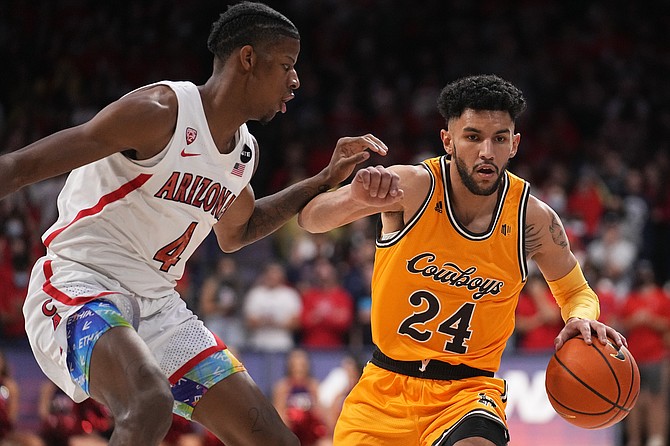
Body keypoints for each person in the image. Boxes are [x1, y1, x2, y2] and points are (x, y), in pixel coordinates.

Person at [0, 2, 388, 445]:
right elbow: (20, 166)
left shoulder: (243, 153)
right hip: (79, 283)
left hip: (159, 306)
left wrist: (321, 181)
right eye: (286, 65)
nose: (295, 80)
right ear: (247, 59)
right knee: (148, 403)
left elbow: (238, 231)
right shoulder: (160, 111)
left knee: (275, 439)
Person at [298, 74, 626, 445]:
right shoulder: (411, 186)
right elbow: (310, 219)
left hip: (469, 392)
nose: (487, 151)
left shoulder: (532, 219)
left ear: (514, 144)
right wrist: (353, 197)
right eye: (473, 137)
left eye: (499, 138)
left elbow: (576, 292)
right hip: (384, 388)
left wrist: (581, 318)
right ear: (448, 141)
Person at [272, 349, 328, 446]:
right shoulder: (282, 387)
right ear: (289, 367)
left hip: (312, 434)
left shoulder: (314, 386)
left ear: (307, 366)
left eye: (302, 365)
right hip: (290, 433)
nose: (298, 369)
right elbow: (277, 418)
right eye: (295, 365)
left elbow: (325, 418)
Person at [243, 261, 302, 353]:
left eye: (276, 274)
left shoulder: (290, 294)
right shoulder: (255, 294)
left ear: (281, 276)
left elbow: (296, 323)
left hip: (282, 343)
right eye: (270, 274)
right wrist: (265, 321)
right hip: (259, 343)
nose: (273, 277)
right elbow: (249, 322)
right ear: (265, 275)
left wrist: (276, 322)